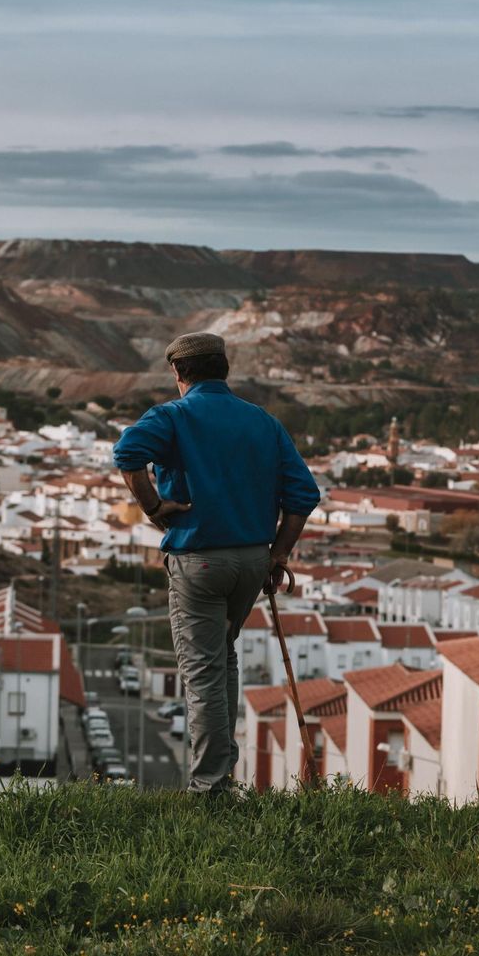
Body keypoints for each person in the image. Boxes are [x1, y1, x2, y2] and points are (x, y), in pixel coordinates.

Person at [113, 331, 321, 794]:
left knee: (202, 670)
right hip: (253, 561)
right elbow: (303, 495)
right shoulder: (263, 421)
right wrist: (278, 554)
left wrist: (152, 507)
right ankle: (222, 773)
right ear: (224, 368)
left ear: (177, 371)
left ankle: (210, 787)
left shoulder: (173, 416)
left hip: (199, 560)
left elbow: (127, 455)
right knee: (223, 657)